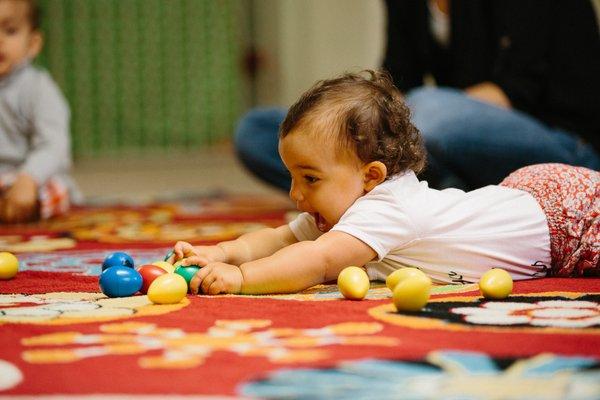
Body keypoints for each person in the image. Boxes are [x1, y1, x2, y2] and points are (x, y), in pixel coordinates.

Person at [168, 71, 599, 295]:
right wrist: (222, 252)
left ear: (371, 176)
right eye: (293, 177)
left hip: (568, 219)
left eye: (311, 179)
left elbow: (316, 263)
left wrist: (241, 278)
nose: (295, 195)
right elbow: (281, 239)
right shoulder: (347, 205)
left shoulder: (386, 207)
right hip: (522, 193)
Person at [234, 0, 600, 192]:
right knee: (262, 130)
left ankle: (409, 193)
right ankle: (440, 194)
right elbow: (393, 84)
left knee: (429, 110)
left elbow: (514, 92)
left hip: (563, 145)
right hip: (444, 139)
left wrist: (384, 127)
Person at [0, 0, 79, 223]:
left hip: (31, 177)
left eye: (10, 30)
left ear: (33, 43)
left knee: (55, 190)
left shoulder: (37, 88)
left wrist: (29, 179)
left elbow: (54, 145)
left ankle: (17, 210)